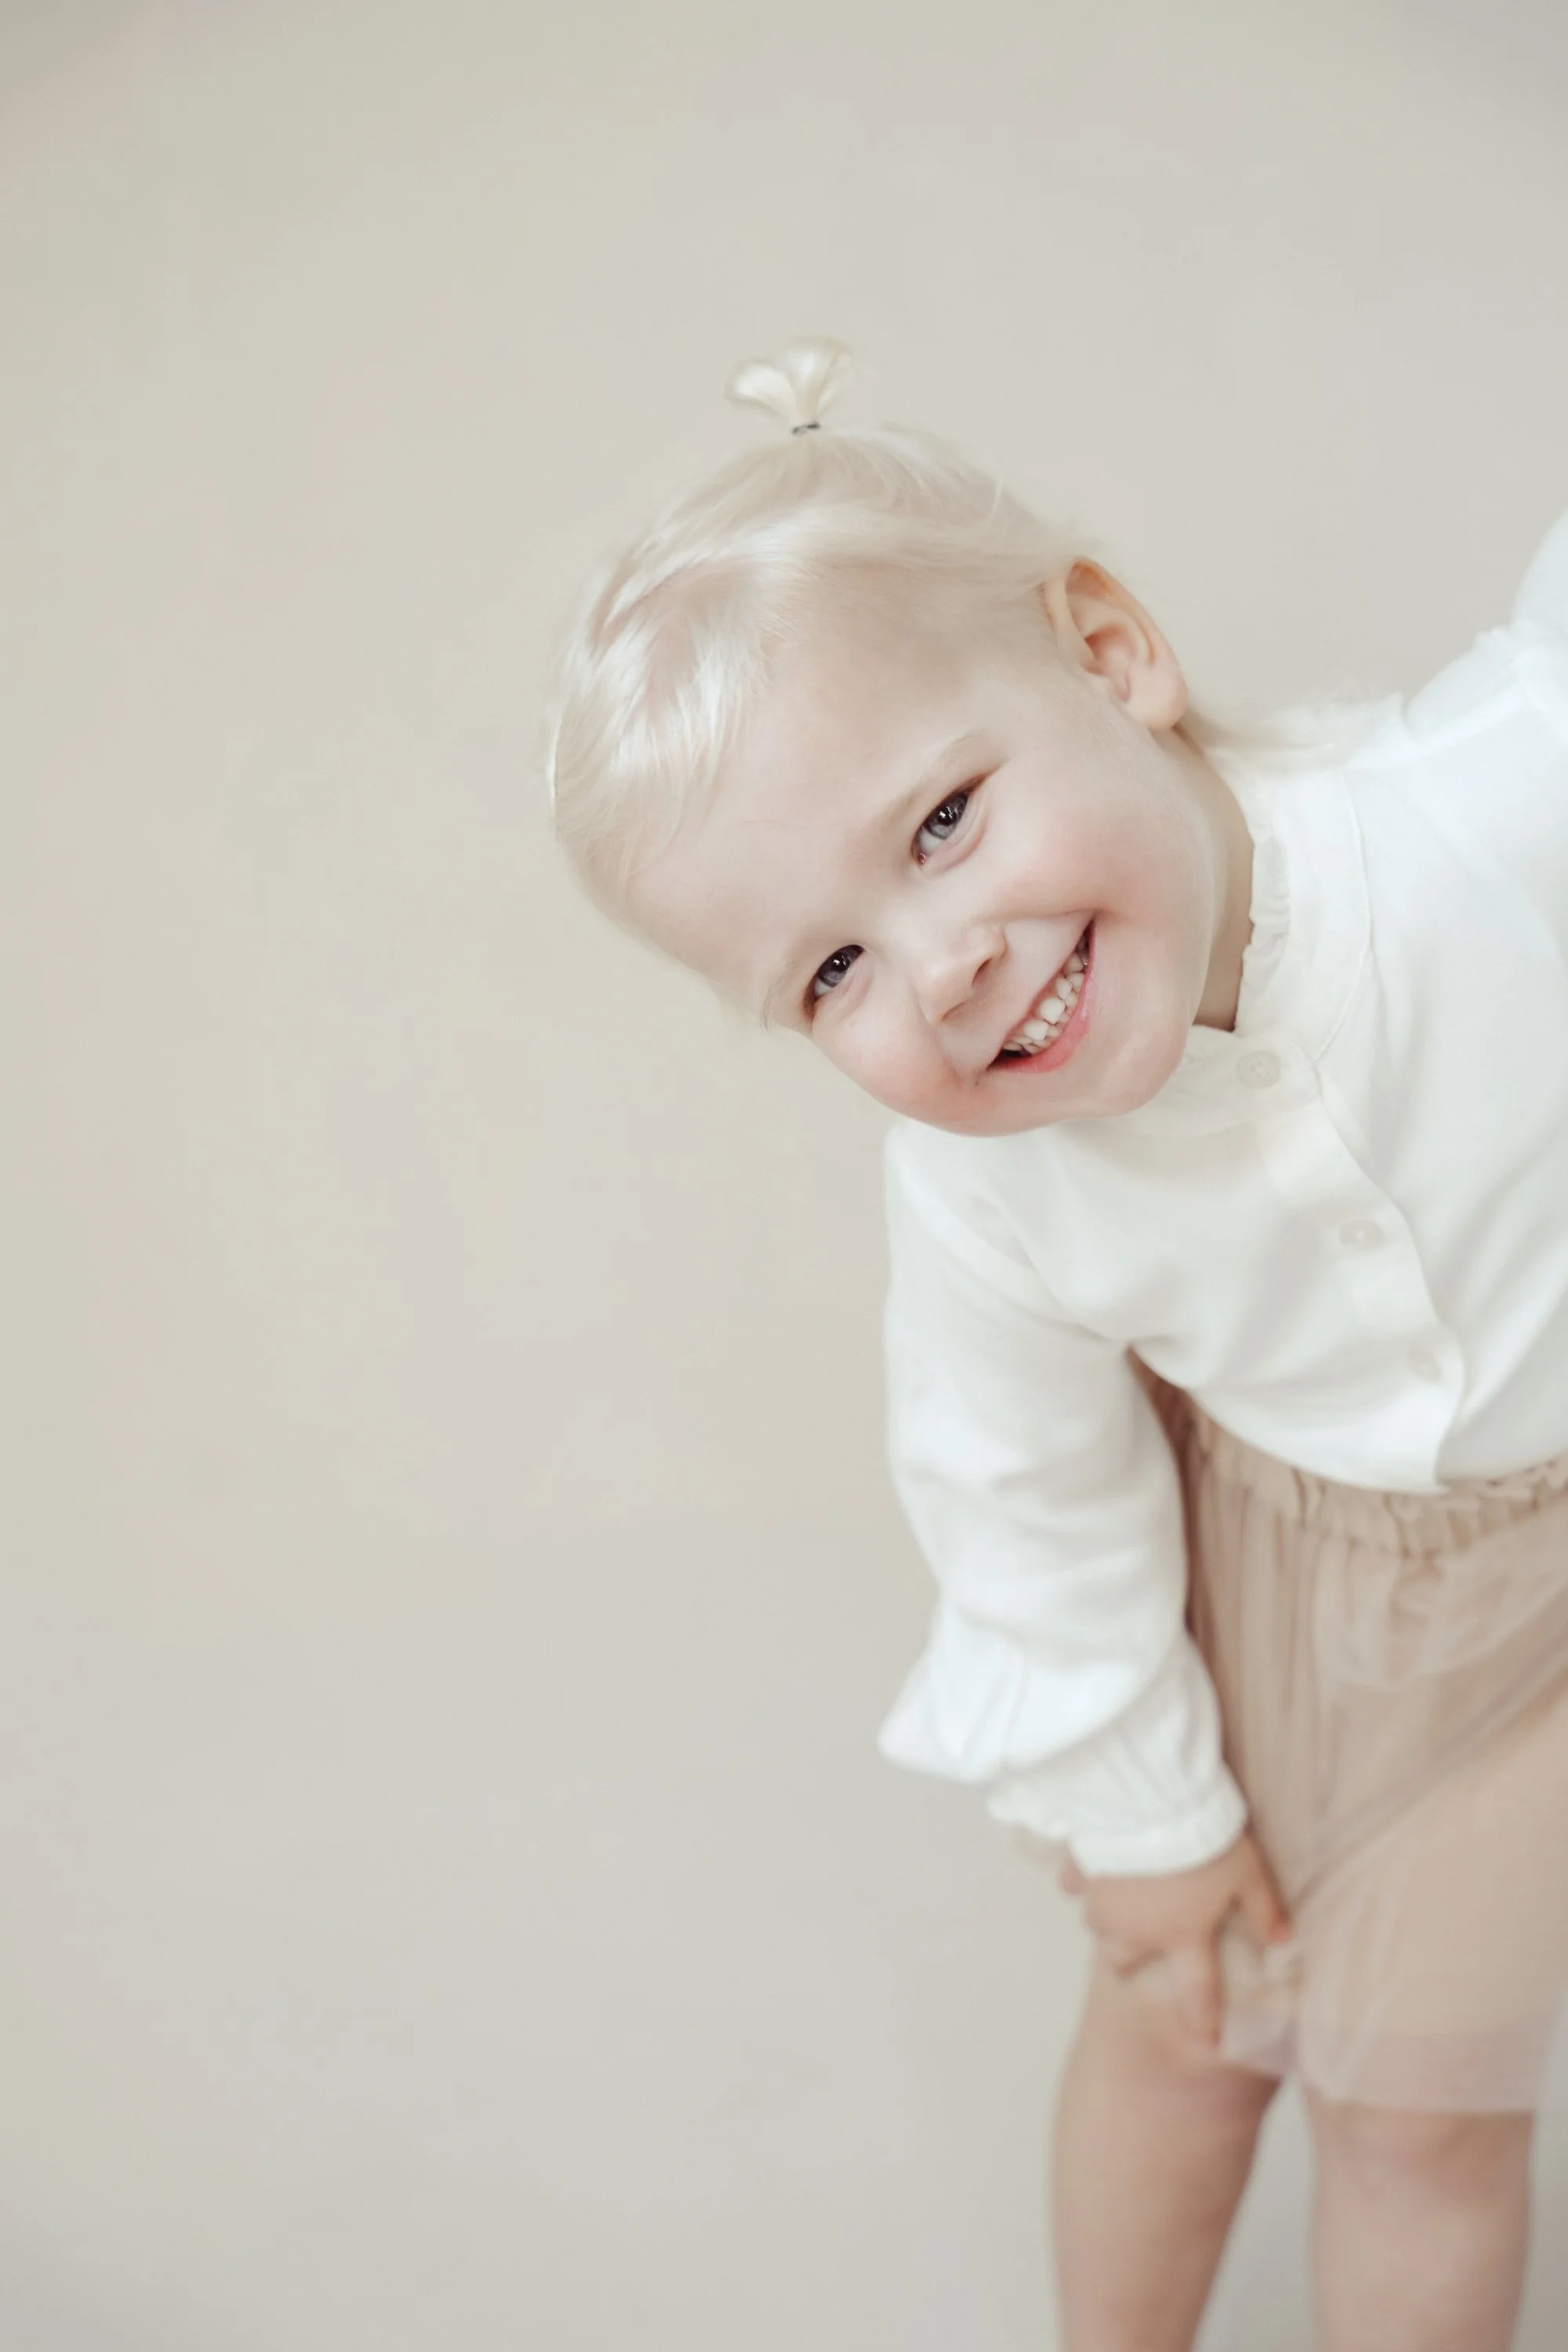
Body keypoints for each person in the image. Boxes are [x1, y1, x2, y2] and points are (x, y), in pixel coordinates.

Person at [543, 336, 1568, 2352]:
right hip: (1261, 1568)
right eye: (832, 969)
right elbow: (1022, 1489)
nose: (943, 971)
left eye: (941, 824)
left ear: (1112, 654)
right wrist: (1151, 1823)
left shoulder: (1489, 815)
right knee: (1184, 2018)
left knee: (1413, 2115)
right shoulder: (988, 1185)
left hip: (1525, 1632)